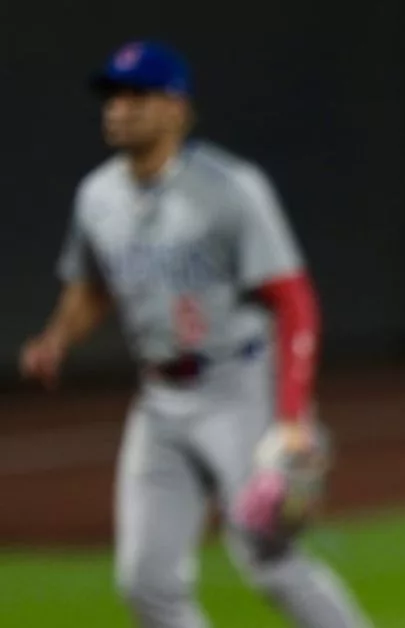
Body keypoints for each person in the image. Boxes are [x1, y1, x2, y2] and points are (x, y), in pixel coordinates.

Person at [18, 41, 370, 628]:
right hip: (158, 400)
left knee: (270, 561)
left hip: (237, 389)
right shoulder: (97, 196)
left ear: (177, 107)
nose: (119, 108)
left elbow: (293, 300)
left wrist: (289, 418)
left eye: (137, 95)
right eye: (112, 96)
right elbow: (91, 287)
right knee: (146, 583)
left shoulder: (232, 188)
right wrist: (57, 338)